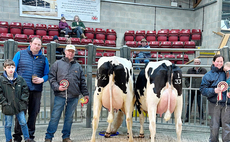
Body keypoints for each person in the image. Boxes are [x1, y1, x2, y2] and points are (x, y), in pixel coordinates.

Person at [45, 44, 89, 142]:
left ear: (74, 53)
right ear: (65, 52)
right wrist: (57, 87)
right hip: (60, 95)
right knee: (55, 117)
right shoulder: (57, 64)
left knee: (69, 118)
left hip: (73, 96)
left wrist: (86, 94)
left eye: (72, 51)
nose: (70, 53)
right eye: (69, 51)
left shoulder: (78, 66)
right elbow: (51, 78)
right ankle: (48, 137)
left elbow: (82, 81)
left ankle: (66, 137)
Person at [13, 37, 50, 142]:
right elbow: (13, 70)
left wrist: (42, 79)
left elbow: (47, 74)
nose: (37, 46)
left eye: (39, 44)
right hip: (22, 90)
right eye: (35, 44)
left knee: (34, 113)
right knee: (21, 113)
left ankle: (29, 136)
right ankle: (17, 136)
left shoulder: (44, 59)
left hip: (36, 90)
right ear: (30, 43)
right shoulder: (20, 54)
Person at [0, 59, 32, 142]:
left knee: (23, 123)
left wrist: (22, 101)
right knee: (8, 124)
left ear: (15, 68)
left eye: (12, 67)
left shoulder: (20, 79)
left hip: (19, 105)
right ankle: (8, 139)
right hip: (7, 105)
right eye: (8, 67)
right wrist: (4, 102)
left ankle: (27, 138)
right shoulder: (1, 80)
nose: (11, 69)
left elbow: (25, 91)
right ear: (4, 68)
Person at [200, 55, 230, 142]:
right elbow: (202, 89)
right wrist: (214, 90)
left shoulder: (227, 73)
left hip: (227, 104)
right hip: (214, 104)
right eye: (218, 61)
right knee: (214, 126)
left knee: (227, 125)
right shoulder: (208, 75)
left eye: (221, 61)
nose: (220, 63)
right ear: (213, 62)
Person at [184, 58, 207, 123]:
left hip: (199, 90)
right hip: (191, 90)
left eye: (197, 62)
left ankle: (201, 119)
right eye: (195, 62)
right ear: (194, 63)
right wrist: (188, 86)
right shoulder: (189, 70)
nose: (196, 63)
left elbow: (206, 80)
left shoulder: (204, 70)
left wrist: (203, 87)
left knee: (200, 104)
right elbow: (186, 79)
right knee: (189, 104)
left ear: (200, 63)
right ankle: (187, 118)